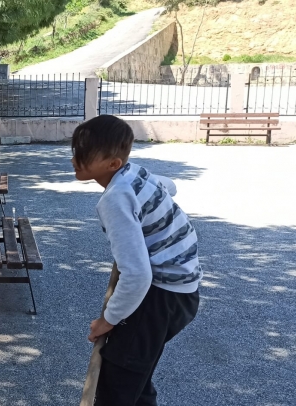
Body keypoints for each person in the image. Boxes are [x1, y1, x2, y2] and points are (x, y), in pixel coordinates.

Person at [73, 115, 201, 406]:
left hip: (161, 296)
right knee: (135, 380)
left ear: (112, 164)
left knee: (117, 383)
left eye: (84, 154)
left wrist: (108, 320)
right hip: (182, 291)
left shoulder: (115, 199)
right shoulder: (135, 174)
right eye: (75, 150)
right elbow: (169, 186)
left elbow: (137, 275)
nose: (75, 159)